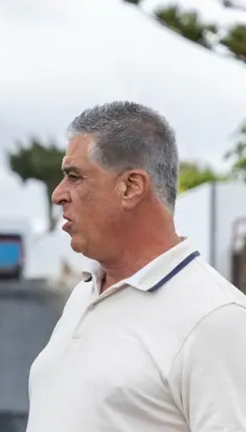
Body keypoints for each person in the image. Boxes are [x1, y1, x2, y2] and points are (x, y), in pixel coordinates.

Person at [26, 101, 246, 431]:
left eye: (74, 176)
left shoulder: (216, 320)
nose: (59, 195)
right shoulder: (85, 292)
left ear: (130, 186)